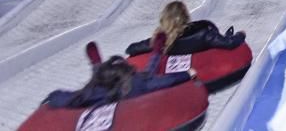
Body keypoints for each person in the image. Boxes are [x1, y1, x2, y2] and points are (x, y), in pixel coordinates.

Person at [44, 44, 194, 111]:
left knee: (102, 76)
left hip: (106, 88)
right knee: (150, 71)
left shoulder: (95, 91)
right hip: (131, 106)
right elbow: (166, 80)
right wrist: (187, 73)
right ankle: (157, 50)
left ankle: (97, 64)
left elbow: (64, 97)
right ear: (128, 70)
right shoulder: (138, 83)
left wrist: (51, 96)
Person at [126, 1, 245, 75]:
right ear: (186, 16)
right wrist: (240, 34)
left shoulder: (161, 41)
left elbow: (131, 49)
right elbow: (229, 43)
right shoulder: (203, 33)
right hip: (204, 66)